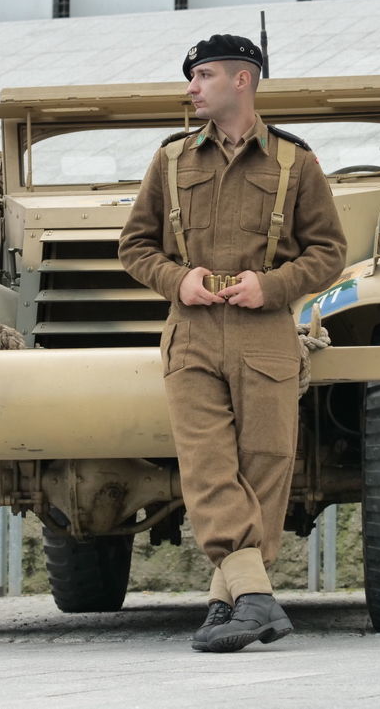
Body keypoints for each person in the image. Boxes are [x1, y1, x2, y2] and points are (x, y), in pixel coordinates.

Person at [119, 34, 347, 653]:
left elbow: (329, 250)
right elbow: (134, 246)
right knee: (208, 469)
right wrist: (179, 278)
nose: (191, 88)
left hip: (265, 333)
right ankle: (255, 597)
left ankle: (230, 603)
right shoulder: (170, 161)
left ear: (242, 81)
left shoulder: (296, 163)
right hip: (190, 336)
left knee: (266, 467)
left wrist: (270, 287)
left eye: (204, 76)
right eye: (193, 77)